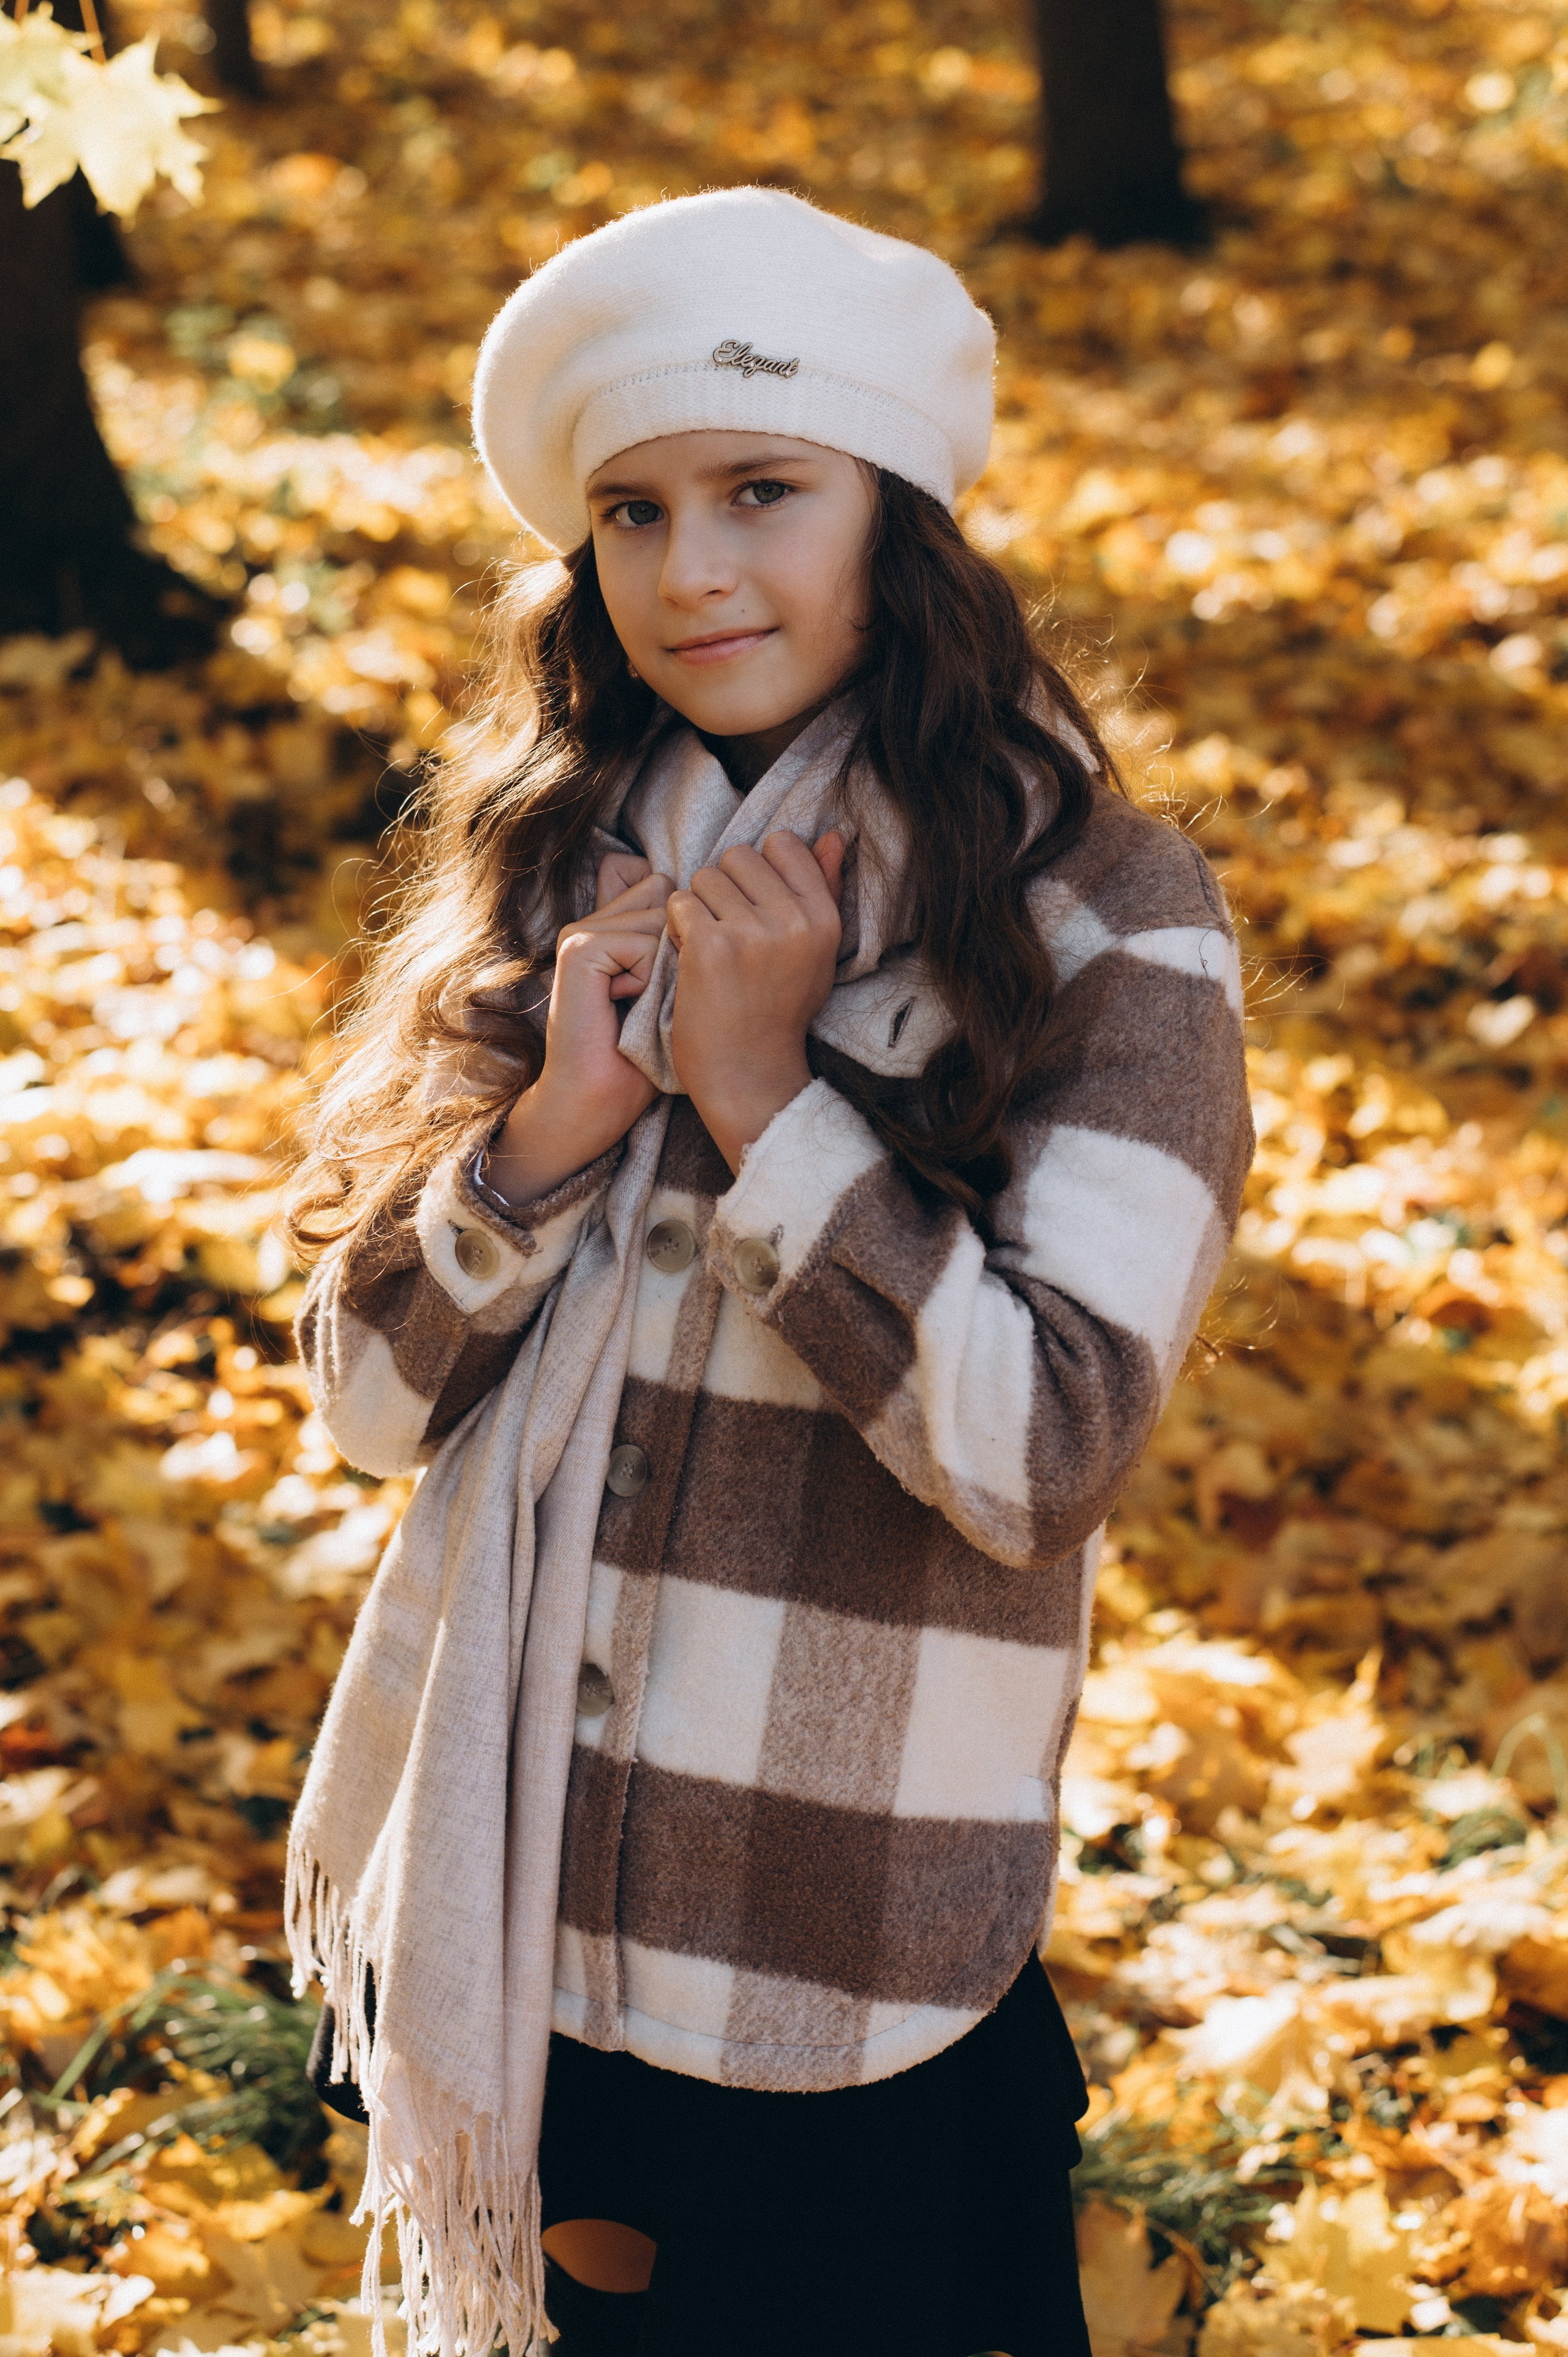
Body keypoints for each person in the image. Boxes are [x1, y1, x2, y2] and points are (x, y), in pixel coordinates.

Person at [284, 187, 1253, 2357]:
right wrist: (553, 1131)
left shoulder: (1107, 917)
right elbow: (358, 1400)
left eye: (760, 492)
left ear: (895, 517)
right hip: (515, 1919)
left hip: (841, 1953)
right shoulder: (556, 869)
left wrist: (762, 1107)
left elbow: (1042, 1451)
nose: (693, 568)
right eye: (630, 512)